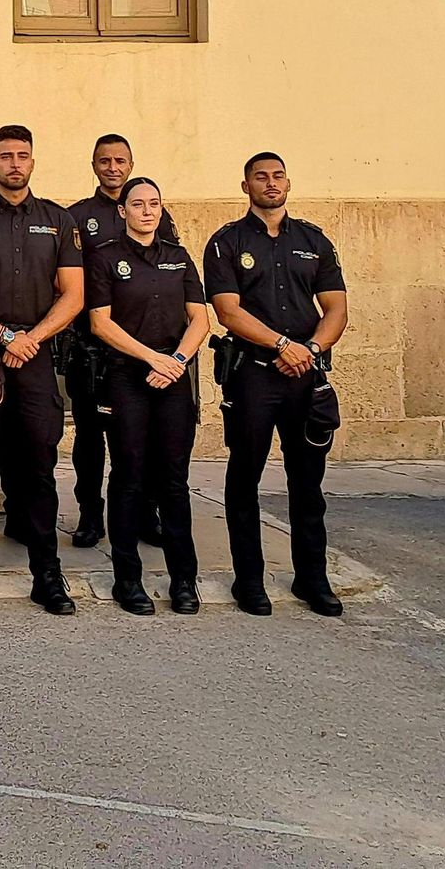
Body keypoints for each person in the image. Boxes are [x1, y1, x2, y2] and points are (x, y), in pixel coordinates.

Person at [0, 125, 84, 617]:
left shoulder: (58, 220)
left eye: (22, 155)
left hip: (37, 358)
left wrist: (31, 339)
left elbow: (74, 294)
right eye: (5, 155)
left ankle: (48, 577)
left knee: (39, 472)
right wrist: (6, 337)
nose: (14, 164)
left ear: (33, 160)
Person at [204, 152, 349, 617]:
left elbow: (336, 310)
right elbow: (228, 311)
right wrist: (282, 345)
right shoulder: (227, 242)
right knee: (244, 477)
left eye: (278, 176)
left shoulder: (313, 240)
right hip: (253, 376)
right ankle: (249, 581)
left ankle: (313, 579)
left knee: (308, 483)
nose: (271, 183)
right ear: (245, 186)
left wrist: (307, 351)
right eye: (260, 177)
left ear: (288, 182)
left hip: (305, 375)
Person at [87, 176, 210, 616]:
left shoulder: (178, 258)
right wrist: (151, 359)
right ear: (122, 211)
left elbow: (200, 319)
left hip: (173, 380)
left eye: (153, 203)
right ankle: (128, 581)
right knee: (128, 478)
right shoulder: (105, 258)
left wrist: (175, 360)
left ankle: (184, 582)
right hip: (126, 379)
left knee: (173, 481)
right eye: (137, 204)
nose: (146, 210)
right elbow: (100, 322)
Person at [66, 134, 181, 548]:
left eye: (120, 160)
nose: (112, 167)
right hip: (93, 348)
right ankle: (90, 516)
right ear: (93, 164)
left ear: (130, 164)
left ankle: (145, 515)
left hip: (146, 353)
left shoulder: (155, 214)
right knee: (89, 438)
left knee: (143, 441)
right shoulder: (77, 216)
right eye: (104, 160)